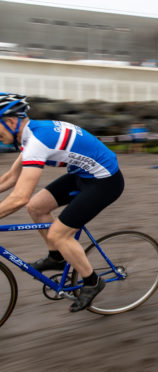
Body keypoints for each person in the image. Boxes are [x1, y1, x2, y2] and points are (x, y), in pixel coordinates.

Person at [0, 93, 125, 312]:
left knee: (59, 233)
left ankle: (92, 282)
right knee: (36, 207)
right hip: (83, 175)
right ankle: (57, 257)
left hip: (105, 182)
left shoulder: (36, 141)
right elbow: (11, 178)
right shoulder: (30, 133)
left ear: (10, 122)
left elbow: (19, 197)